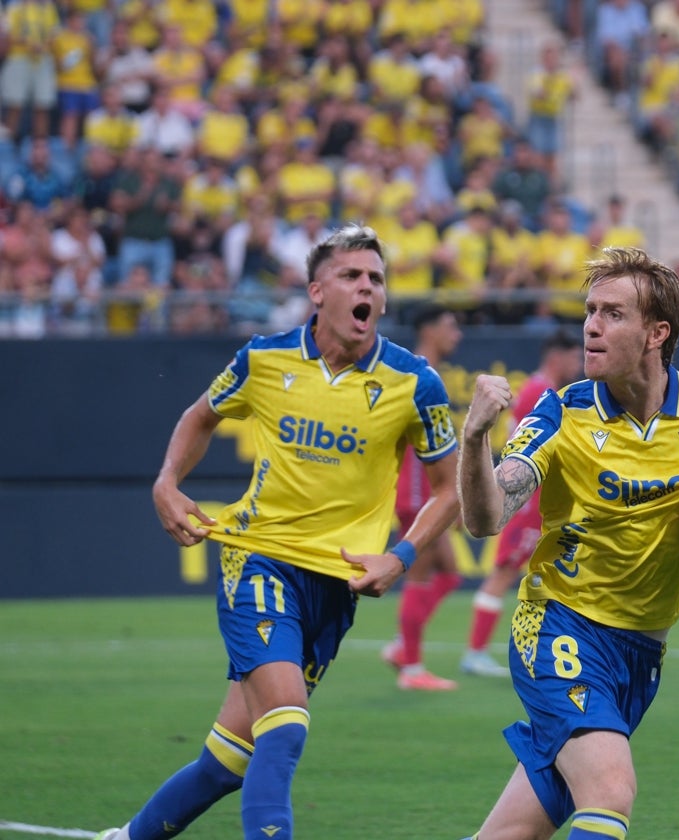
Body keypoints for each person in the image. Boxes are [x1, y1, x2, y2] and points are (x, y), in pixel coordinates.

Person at [92, 225, 461, 840]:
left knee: (227, 761)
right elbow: (200, 416)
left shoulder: (413, 382)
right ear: (318, 291)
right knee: (286, 726)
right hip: (258, 560)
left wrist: (399, 556)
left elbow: (449, 488)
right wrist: (166, 481)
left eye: (375, 278)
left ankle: (128, 838)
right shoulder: (265, 358)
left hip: (334, 584)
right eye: (351, 276)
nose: (366, 287)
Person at [456, 246, 679, 840]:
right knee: (610, 793)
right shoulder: (561, 413)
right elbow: (485, 519)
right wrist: (474, 441)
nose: (592, 326)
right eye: (590, 311)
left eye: (613, 314)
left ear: (657, 333)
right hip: (559, 627)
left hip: (640, 656)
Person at [459, 327, 584, 678]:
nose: (578, 364)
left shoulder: (542, 390)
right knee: (503, 573)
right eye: (574, 356)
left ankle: (546, 649)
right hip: (527, 502)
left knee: (546, 575)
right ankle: (475, 651)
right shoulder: (538, 392)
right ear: (556, 357)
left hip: (541, 502)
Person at [380, 303, 468, 691]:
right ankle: (412, 668)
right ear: (430, 329)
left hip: (426, 487)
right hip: (418, 489)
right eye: (450, 325)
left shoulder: (424, 373)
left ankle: (404, 649)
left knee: (449, 574)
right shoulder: (417, 373)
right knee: (418, 574)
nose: (457, 334)